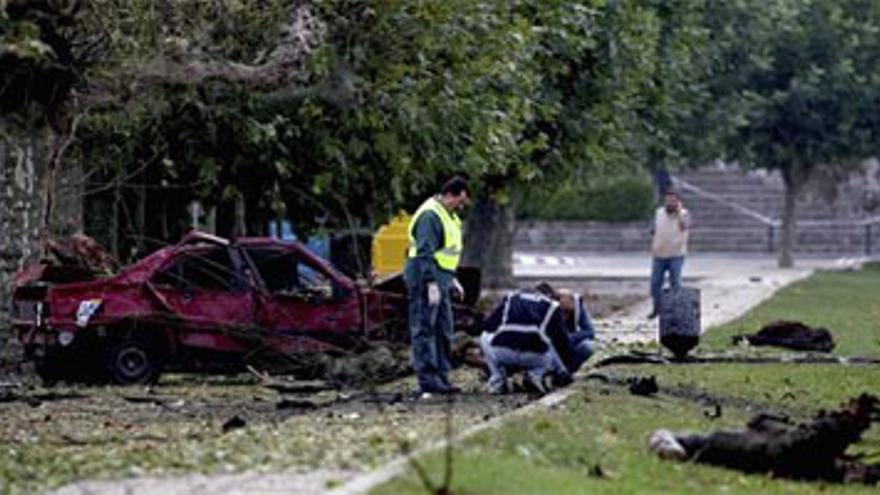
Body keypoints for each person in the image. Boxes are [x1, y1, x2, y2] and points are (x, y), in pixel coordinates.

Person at [404, 176, 469, 395]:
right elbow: (425, 253)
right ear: (449, 195)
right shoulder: (431, 215)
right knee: (424, 328)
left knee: (443, 328)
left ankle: (441, 376)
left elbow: (446, 253)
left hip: (441, 277)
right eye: (459, 202)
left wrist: (452, 278)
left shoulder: (448, 216)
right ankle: (428, 380)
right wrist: (431, 282)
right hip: (425, 279)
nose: (461, 207)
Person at [479, 285, 591, 395]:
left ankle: (497, 379)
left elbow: (488, 326)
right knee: (549, 343)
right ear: (549, 296)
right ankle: (535, 375)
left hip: (504, 353)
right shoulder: (551, 306)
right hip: (535, 358)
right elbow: (561, 343)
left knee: (484, 336)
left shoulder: (510, 299)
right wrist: (563, 372)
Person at [648, 189, 690, 319]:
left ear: (678, 202)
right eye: (667, 201)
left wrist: (679, 214)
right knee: (655, 283)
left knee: (675, 283)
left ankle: (676, 311)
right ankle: (657, 308)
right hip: (659, 254)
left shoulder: (684, 214)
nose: (670, 204)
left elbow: (685, 226)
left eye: (673, 201)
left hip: (676, 254)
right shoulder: (658, 213)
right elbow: (653, 230)